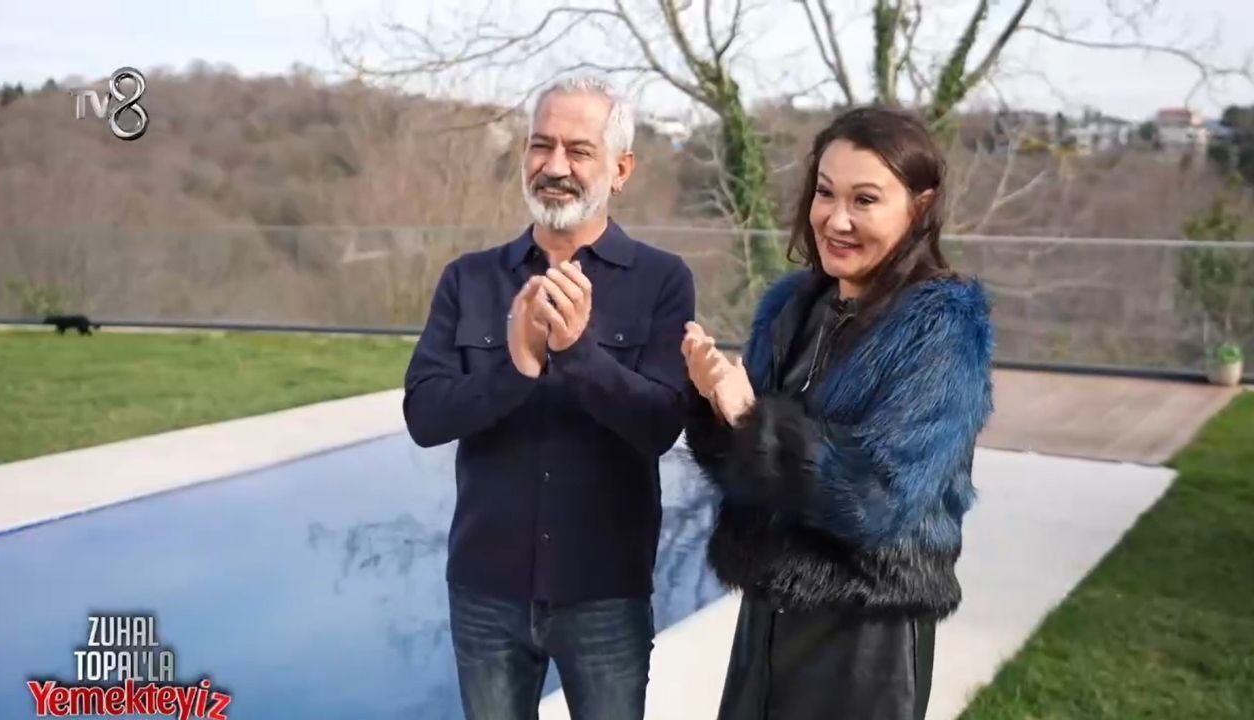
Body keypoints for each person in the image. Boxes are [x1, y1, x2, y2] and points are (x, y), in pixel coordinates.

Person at [680, 106, 994, 720]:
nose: (836, 218)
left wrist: (753, 418)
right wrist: (717, 407)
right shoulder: (792, 310)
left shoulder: (941, 330)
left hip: (866, 635)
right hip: (769, 613)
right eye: (825, 193)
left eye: (865, 199)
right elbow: (750, 474)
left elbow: (879, 498)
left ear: (921, 206)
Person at [402, 76, 696, 720]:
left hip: (606, 592)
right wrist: (517, 367)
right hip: (485, 589)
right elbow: (424, 414)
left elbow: (659, 426)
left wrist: (578, 354)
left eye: (579, 150)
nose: (555, 166)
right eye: (541, 145)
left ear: (620, 170)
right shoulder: (469, 278)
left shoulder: (662, 280)